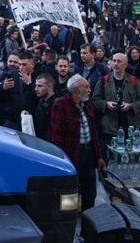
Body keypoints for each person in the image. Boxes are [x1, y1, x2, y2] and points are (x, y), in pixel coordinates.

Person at [49, 74, 105, 210]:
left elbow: (93, 132)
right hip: (71, 154)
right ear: (75, 90)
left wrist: (99, 156)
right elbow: (56, 138)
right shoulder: (60, 104)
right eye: (86, 87)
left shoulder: (87, 104)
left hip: (88, 153)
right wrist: (62, 162)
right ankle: (68, 224)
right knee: (70, 194)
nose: (89, 90)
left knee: (90, 192)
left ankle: (88, 226)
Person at [91, 52, 140, 157]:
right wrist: (106, 104)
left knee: (129, 161)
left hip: (130, 129)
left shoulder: (134, 81)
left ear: (125, 65)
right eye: (114, 61)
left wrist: (131, 106)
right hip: (110, 129)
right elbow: (94, 101)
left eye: (119, 61)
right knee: (110, 159)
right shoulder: (103, 81)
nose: (116, 64)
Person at [0, 52, 29, 130]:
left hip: (18, 122)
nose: (12, 64)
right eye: (10, 61)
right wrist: (3, 89)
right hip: (1, 120)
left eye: (15, 62)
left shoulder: (25, 79)